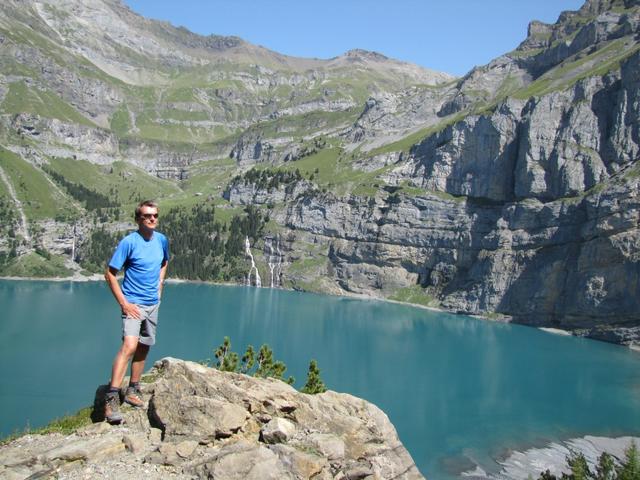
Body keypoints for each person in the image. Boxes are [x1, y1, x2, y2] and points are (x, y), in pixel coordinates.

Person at [103, 200, 169, 424]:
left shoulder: (161, 240)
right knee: (129, 346)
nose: (152, 219)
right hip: (133, 304)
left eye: (155, 215)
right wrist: (123, 303)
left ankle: (133, 389)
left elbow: (164, 262)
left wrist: (160, 284)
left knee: (144, 346)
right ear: (138, 219)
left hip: (152, 304)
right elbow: (110, 273)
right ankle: (111, 398)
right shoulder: (129, 242)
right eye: (147, 216)